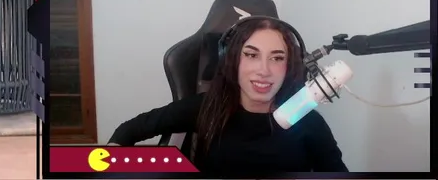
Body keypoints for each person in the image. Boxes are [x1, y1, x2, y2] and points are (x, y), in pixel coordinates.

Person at [109, 16, 348, 174]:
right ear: (232, 61)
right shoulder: (207, 107)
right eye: (251, 55)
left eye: (277, 58)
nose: (264, 70)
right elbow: (128, 131)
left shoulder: (308, 122)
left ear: (289, 66)